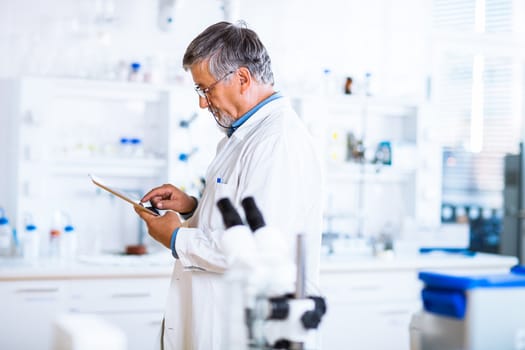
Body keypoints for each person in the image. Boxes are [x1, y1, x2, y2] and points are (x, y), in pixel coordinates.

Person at [135, 20, 323, 350]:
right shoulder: (241, 137)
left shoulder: (278, 143)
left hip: (249, 331)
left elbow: (258, 248)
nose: (203, 103)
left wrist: (177, 237)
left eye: (206, 89)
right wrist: (193, 206)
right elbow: (239, 217)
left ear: (242, 78)